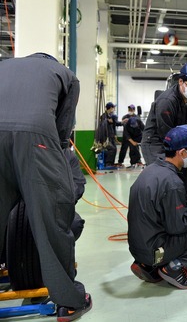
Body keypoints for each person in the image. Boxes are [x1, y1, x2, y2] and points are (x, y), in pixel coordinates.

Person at [0, 53, 92, 321]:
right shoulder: (66, 75)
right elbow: (63, 132)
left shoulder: (5, 65)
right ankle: (69, 300)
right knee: (53, 219)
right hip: (36, 138)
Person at [128, 124, 187, 289]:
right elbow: (178, 227)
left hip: (139, 250)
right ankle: (175, 267)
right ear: (182, 152)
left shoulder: (150, 170)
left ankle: (148, 266)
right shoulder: (172, 182)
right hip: (155, 251)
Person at [141, 61, 187, 198]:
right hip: (157, 141)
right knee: (165, 178)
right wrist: (182, 153)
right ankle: (165, 214)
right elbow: (166, 133)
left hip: (181, 139)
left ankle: (184, 213)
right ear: (181, 82)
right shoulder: (167, 101)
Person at [97, 102, 119, 167]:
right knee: (112, 149)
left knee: (114, 149)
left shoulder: (110, 116)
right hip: (106, 137)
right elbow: (103, 127)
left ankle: (111, 163)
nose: (114, 109)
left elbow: (114, 124)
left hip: (111, 136)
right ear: (111, 108)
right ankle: (108, 163)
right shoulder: (104, 116)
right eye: (113, 108)